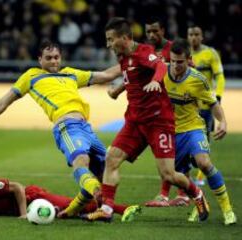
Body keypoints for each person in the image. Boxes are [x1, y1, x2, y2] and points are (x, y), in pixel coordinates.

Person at [0, 40, 131, 219]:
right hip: (67, 127)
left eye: (56, 57)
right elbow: (3, 102)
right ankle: (91, 197)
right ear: (40, 59)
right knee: (81, 159)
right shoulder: (31, 76)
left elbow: (107, 75)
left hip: (87, 129)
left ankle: (91, 210)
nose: (53, 61)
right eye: (48, 58)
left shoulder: (71, 74)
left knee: (106, 168)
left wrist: (131, 61)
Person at [81, 17, 209, 223]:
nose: (108, 45)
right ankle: (106, 209)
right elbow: (132, 76)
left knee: (168, 174)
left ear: (124, 37)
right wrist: (117, 90)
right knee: (111, 159)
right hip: (134, 121)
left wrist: (156, 82)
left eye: (111, 40)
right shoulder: (124, 57)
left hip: (158, 122)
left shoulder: (143, 52)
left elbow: (159, 66)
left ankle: (196, 193)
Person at [163, 39, 236, 225]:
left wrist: (223, 122)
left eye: (180, 62)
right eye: (173, 61)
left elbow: (213, 104)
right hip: (171, 133)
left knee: (204, 163)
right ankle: (200, 203)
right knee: (179, 177)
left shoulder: (198, 80)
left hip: (193, 128)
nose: (176, 65)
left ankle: (228, 210)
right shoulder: (161, 74)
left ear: (188, 60)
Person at [0, 165, 141, 221]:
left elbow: (17, 187)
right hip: (29, 206)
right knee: (67, 216)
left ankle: (123, 209)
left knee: (75, 205)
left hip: (32, 198)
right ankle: (100, 216)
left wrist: (22, 215)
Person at [144, 18, 189, 208]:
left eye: (155, 31)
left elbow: (189, 68)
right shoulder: (146, 51)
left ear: (162, 30)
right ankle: (165, 195)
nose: (152, 35)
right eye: (148, 32)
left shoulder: (174, 49)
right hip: (157, 109)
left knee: (178, 152)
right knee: (166, 153)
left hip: (177, 108)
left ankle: (183, 194)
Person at [187, 25, 226, 186]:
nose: (194, 37)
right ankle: (188, 173)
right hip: (189, 107)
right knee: (186, 142)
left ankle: (201, 177)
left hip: (206, 107)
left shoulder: (210, 53)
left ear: (202, 37)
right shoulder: (184, 54)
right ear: (187, 36)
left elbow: (220, 76)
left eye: (197, 34)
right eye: (191, 34)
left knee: (203, 144)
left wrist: (217, 97)